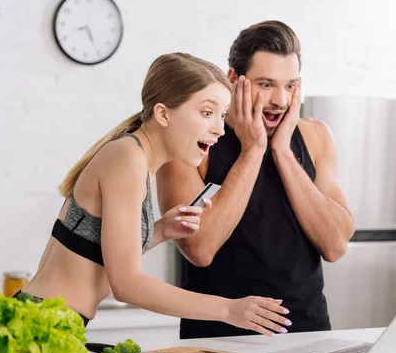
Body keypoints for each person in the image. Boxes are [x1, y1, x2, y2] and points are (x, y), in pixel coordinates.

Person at [18, 53, 290, 337]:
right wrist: (228, 310)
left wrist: (159, 231)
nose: (220, 129)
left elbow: (93, 252)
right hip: (41, 327)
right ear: (163, 114)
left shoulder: (136, 159)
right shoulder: (128, 157)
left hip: (49, 322)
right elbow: (127, 285)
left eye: (222, 115)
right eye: (207, 113)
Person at [157, 22, 355, 339]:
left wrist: (283, 153)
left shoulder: (316, 136)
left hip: (308, 334)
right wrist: (253, 150)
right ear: (233, 79)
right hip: (219, 340)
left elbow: (335, 245)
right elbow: (200, 248)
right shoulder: (192, 141)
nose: (280, 100)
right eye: (267, 84)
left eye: (290, 86)